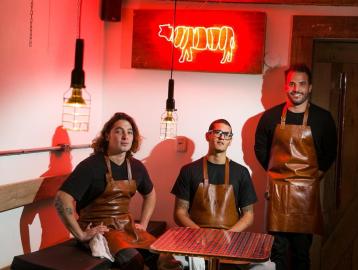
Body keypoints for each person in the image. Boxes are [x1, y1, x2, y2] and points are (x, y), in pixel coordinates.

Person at [254, 64, 337, 270]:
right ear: (285, 87)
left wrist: (313, 176)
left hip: (305, 194)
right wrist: (276, 174)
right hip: (278, 192)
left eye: (301, 84)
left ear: (310, 87)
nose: (296, 88)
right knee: (277, 252)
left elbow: (330, 152)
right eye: (291, 83)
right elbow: (260, 149)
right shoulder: (270, 117)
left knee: (302, 253)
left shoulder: (323, 118)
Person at [55, 112, 158, 270]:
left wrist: (143, 223)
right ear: (107, 136)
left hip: (126, 228)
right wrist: (81, 235)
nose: (125, 136)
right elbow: (61, 199)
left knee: (164, 256)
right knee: (134, 260)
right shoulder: (90, 166)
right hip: (99, 231)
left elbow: (150, 194)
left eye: (129, 132)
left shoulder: (137, 167)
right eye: (119, 131)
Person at [171, 119, 258, 270]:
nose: (222, 137)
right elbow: (179, 212)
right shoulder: (189, 170)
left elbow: (249, 214)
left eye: (227, 134)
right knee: (167, 261)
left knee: (266, 265)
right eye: (218, 132)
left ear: (230, 140)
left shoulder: (241, 172)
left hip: (230, 239)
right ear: (208, 136)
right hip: (195, 238)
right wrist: (199, 233)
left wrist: (228, 235)